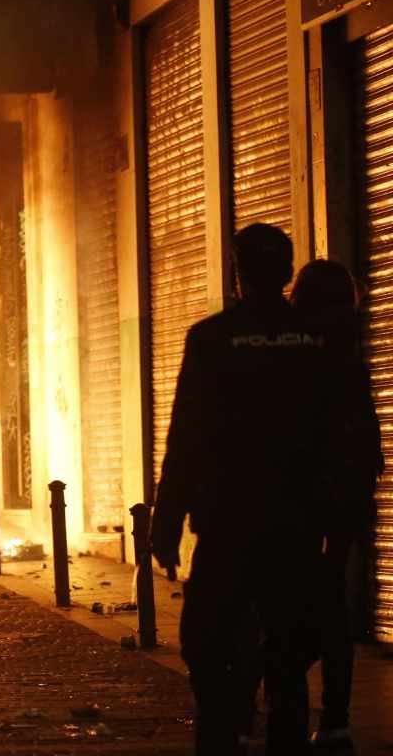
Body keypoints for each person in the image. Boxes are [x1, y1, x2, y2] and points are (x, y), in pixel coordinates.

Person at [151, 224, 334, 756]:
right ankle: (285, 735)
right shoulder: (319, 341)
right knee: (289, 651)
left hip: (228, 525)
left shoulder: (211, 338)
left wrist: (167, 520)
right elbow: (339, 431)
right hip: (295, 528)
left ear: (237, 274)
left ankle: (223, 728)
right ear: (286, 272)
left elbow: (185, 436)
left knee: (210, 645)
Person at [291, 259, 383, 751]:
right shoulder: (349, 349)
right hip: (345, 499)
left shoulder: (295, 349)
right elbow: (365, 434)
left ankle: (292, 690)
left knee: (307, 603)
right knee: (332, 604)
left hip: (305, 499)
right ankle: (337, 716)